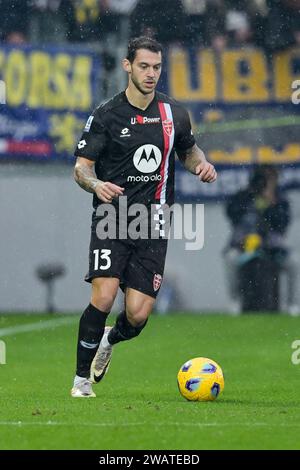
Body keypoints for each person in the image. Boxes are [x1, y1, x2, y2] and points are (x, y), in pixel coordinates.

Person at [71, 36, 217, 398]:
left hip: (153, 223)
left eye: (156, 67)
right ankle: (81, 381)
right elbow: (81, 168)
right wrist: (96, 185)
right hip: (112, 219)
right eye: (144, 66)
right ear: (127, 66)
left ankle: (111, 338)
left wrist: (201, 164)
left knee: (136, 316)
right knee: (103, 297)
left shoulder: (174, 114)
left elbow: (188, 150)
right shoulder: (105, 116)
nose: (151, 74)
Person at [224, 165, 298, 314]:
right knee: (231, 259)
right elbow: (232, 214)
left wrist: (271, 202)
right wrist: (251, 194)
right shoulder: (243, 196)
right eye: (263, 179)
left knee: (295, 262)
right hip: (244, 247)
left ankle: (292, 304)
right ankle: (235, 301)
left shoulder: (280, 200)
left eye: (271, 179)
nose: (265, 183)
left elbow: (282, 224)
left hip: (273, 249)